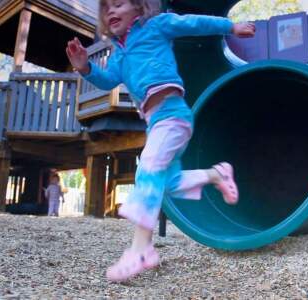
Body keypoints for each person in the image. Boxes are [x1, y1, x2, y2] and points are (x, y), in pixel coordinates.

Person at [66, 0, 255, 282]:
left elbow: (193, 22)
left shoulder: (156, 25)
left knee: (148, 169)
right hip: (156, 123)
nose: (112, 11)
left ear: (140, 8)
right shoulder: (119, 52)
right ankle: (217, 174)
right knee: (166, 182)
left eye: (119, 4)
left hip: (173, 114)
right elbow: (107, 80)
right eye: (107, 9)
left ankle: (141, 249)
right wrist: (85, 68)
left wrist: (231, 27)